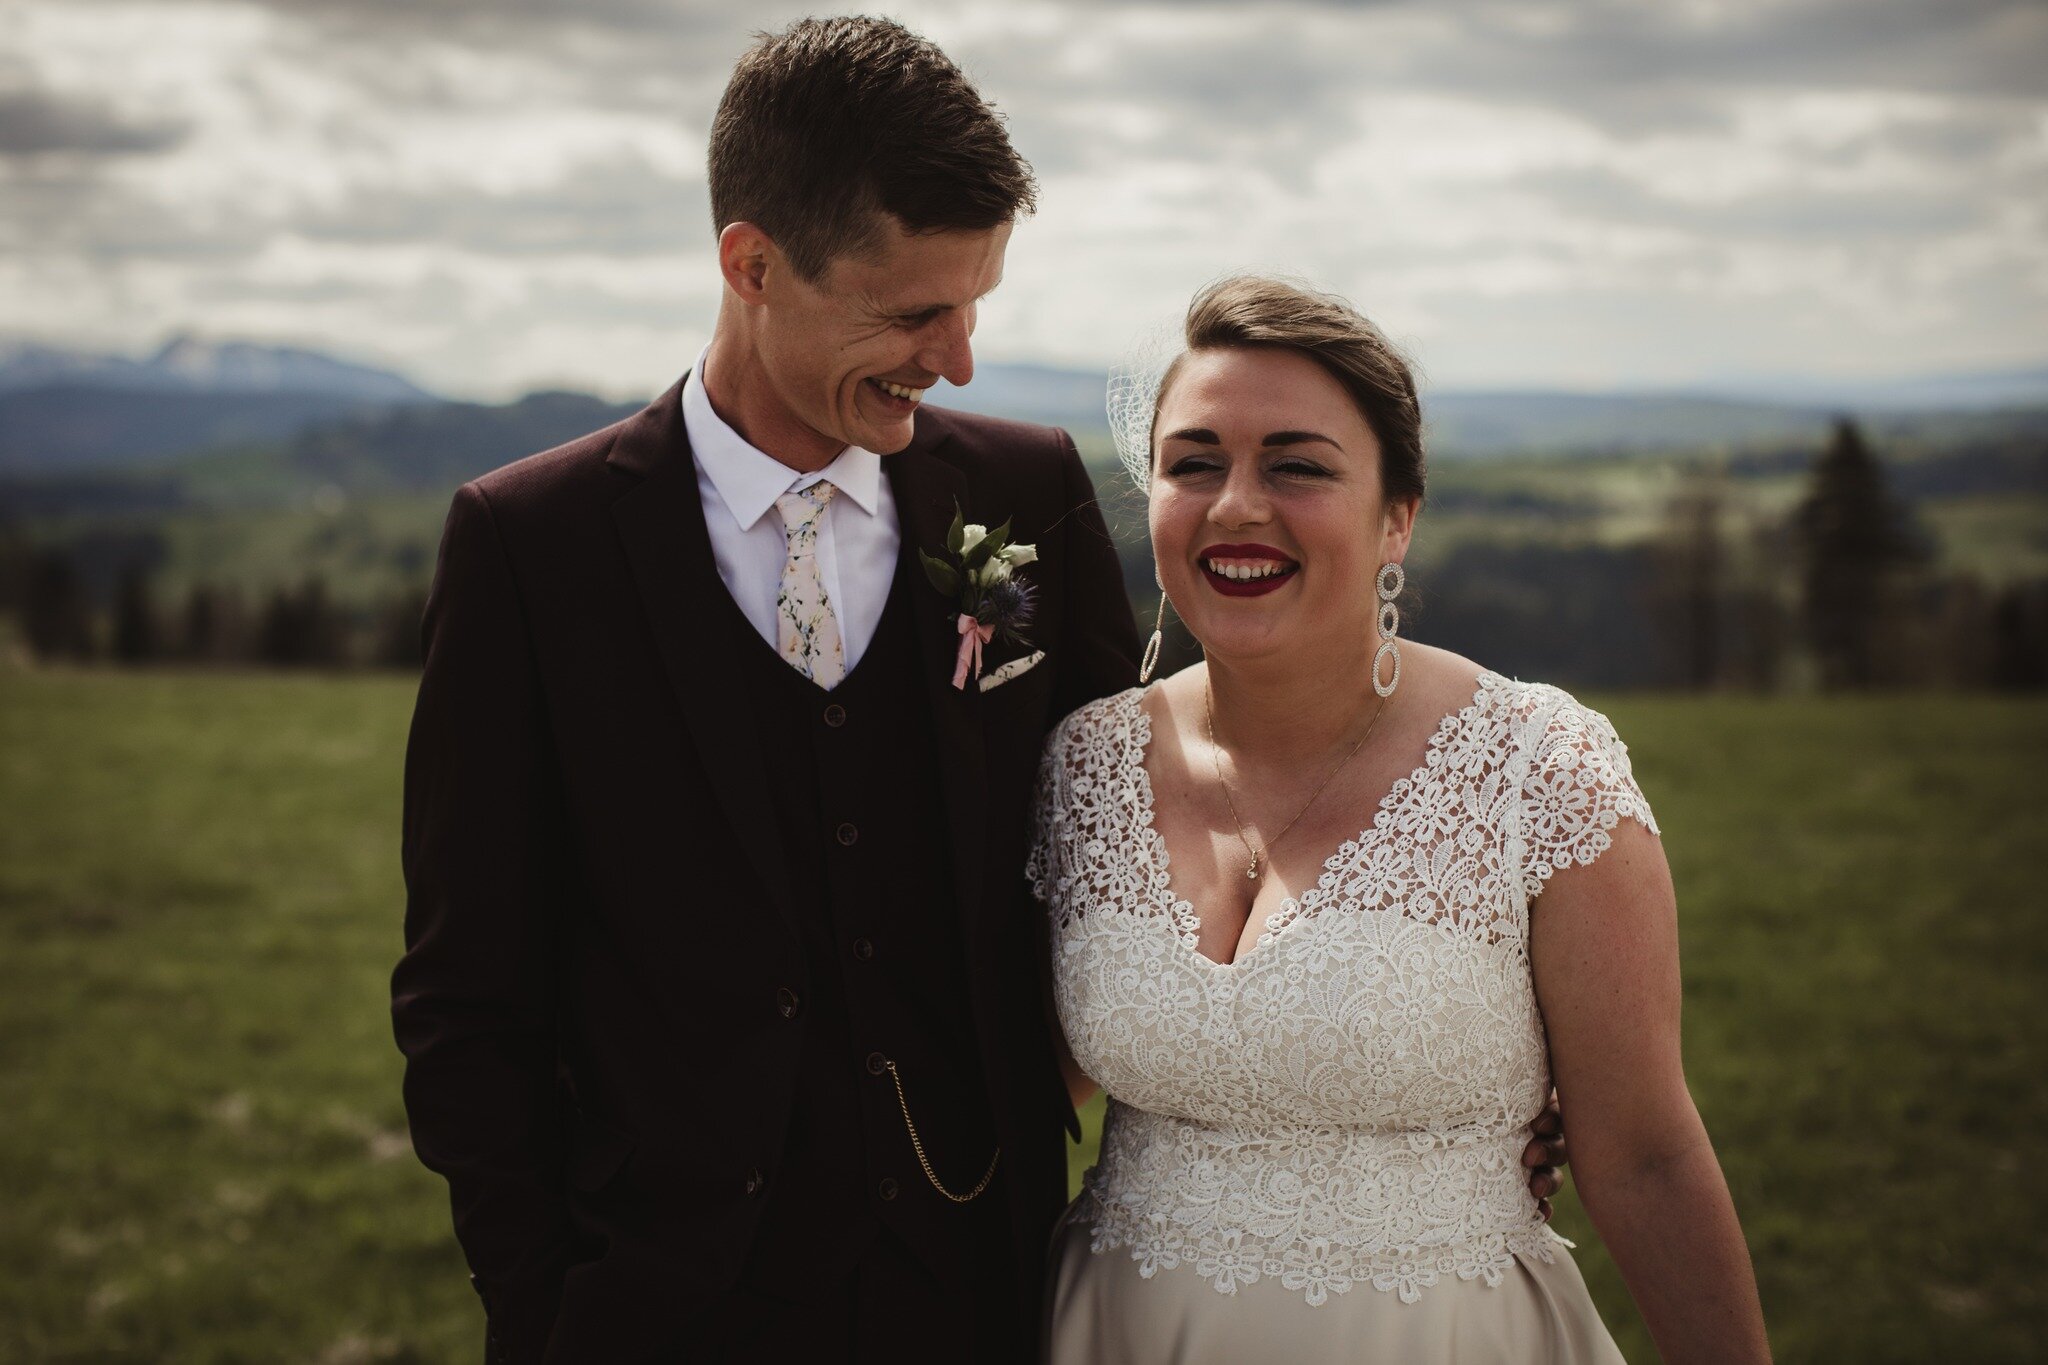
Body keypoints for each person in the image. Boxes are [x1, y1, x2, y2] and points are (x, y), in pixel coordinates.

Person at [392, 16, 1564, 1363]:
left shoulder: (1019, 497)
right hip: (657, 1304)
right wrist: (543, 1307)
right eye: (911, 313)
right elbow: (466, 994)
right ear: (751, 264)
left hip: (983, 1288)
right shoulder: (531, 547)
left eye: (975, 306)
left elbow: (1156, 842)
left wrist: (1471, 1083)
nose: (956, 357)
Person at [1033, 277, 1772, 1363]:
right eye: (1194, 463)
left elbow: (1646, 1156)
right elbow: (999, 1081)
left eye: (1297, 465)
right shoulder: (1078, 764)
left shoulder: (1535, 767)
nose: (1236, 504)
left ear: (1397, 517)